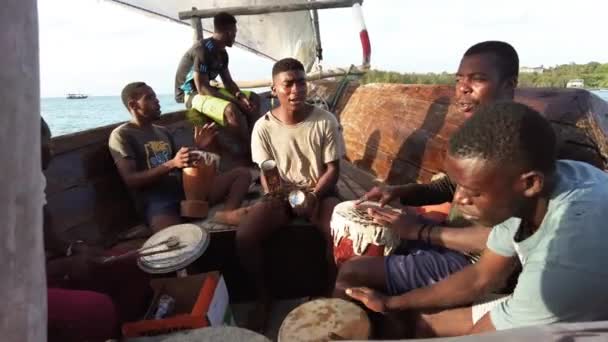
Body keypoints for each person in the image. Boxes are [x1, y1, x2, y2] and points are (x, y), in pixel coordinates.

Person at [347, 102, 608, 337]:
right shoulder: (536, 189)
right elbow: (481, 277)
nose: (459, 199)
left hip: (587, 320)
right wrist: (391, 303)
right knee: (422, 324)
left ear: (530, 183)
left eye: (473, 192)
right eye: (457, 186)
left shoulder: (565, 257)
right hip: (565, 302)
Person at [334, 41, 519, 299]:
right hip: (450, 238)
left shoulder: (517, 148)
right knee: (384, 244)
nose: (463, 88)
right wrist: (398, 192)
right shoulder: (479, 133)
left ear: (509, 85)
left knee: (352, 274)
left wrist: (419, 230)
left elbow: (503, 239)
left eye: (477, 79)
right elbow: (449, 186)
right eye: (459, 79)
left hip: (476, 263)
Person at [236, 58, 345, 331]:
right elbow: (267, 173)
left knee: (339, 233)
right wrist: (285, 195)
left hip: (320, 190)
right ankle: (264, 297)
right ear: (275, 89)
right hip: (281, 194)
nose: (297, 89)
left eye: (301, 82)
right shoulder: (263, 127)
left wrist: (313, 196)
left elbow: (333, 169)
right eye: (288, 84)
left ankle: (330, 290)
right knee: (245, 237)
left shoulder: (325, 120)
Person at [43, 118, 151, 342]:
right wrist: (63, 266)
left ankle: (127, 332)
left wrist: (76, 250)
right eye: (46, 143)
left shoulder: (32, 180)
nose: (51, 150)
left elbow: (50, 240)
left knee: (134, 262)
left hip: (42, 270)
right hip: (14, 293)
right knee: (96, 310)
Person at [109, 82, 251, 232]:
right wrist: (172, 163)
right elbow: (130, 180)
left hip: (185, 191)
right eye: (149, 98)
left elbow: (181, 164)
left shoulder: (163, 132)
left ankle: (227, 214)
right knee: (174, 238)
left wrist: (200, 149)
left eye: (155, 96)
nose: (157, 101)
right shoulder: (122, 135)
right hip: (158, 201)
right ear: (133, 105)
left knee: (242, 174)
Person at [175, 12, 260, 159]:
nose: (235, 37)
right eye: (234, 33)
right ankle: (249, 153)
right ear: (228, 32)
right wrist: (236, 102)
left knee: (253, 98)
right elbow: (202, 88)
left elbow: (228, 82)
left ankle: (256, 143)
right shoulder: (202, 50)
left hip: (206, 89)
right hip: (190, 94)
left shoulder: (222, 53)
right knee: (230, 109)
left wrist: (241, 97)